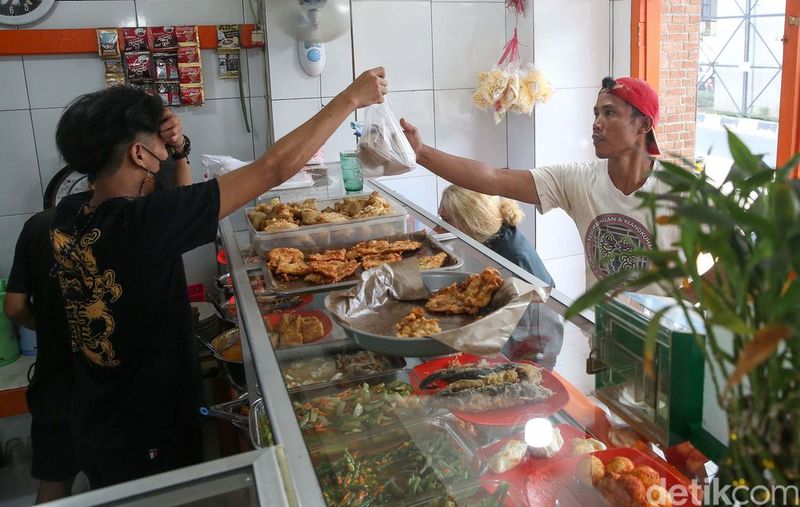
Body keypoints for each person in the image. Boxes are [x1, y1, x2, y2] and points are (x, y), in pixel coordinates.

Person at [47, 68, 387, 489]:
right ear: (139, 155)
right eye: (154, 142)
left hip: (99, 410)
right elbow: (274, 168)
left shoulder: (72, 213)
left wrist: (177, 151)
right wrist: (350, 98)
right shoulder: (142, 224)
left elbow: (175, 206)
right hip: (146, 424)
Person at [401, 76, 678, 293]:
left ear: (643, 125)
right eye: (596, 114)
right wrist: (421, 152)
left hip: (665, 341)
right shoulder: (578, 180)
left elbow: (722, 261)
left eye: (609, 113)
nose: (596, 123)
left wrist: (684, 306)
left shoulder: (680, 192)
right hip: (604, 333)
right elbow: (494, 178)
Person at [4, 209, 79, 503]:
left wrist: (48, 329)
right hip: (105, 387)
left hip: (55, 382)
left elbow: (13, 306)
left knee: (55, 482)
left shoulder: (38, 224)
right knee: (112, 483)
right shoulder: (124, 221)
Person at [438, 185, 554, 286]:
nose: (438, 228)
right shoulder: (473, 241)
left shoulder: (513, 257)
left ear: (471, 223)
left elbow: (526, 307)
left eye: (446, 220)